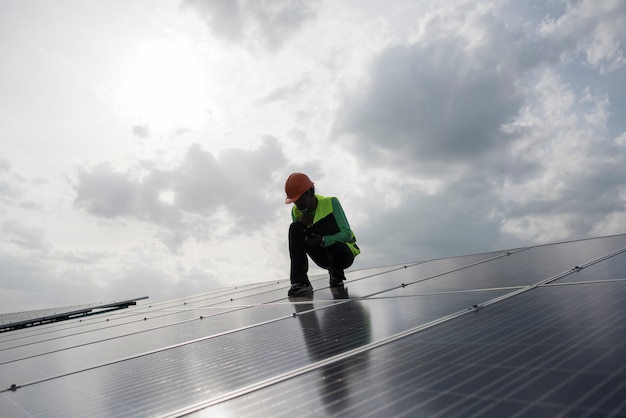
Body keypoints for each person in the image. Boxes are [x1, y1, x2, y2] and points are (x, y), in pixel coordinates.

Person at [284, 172, 360, 297]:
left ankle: (336, 273)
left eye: (300, 199)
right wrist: (302, 225)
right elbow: (298, 244)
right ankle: (300, 283)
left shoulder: (331, 202)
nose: (298, 204)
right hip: (322, 256)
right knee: (295, 228)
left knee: (337, 248)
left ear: (311, 192)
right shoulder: (296, 212)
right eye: (295, 201)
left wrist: (324, 240)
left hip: (342, 254)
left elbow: (346, 233)